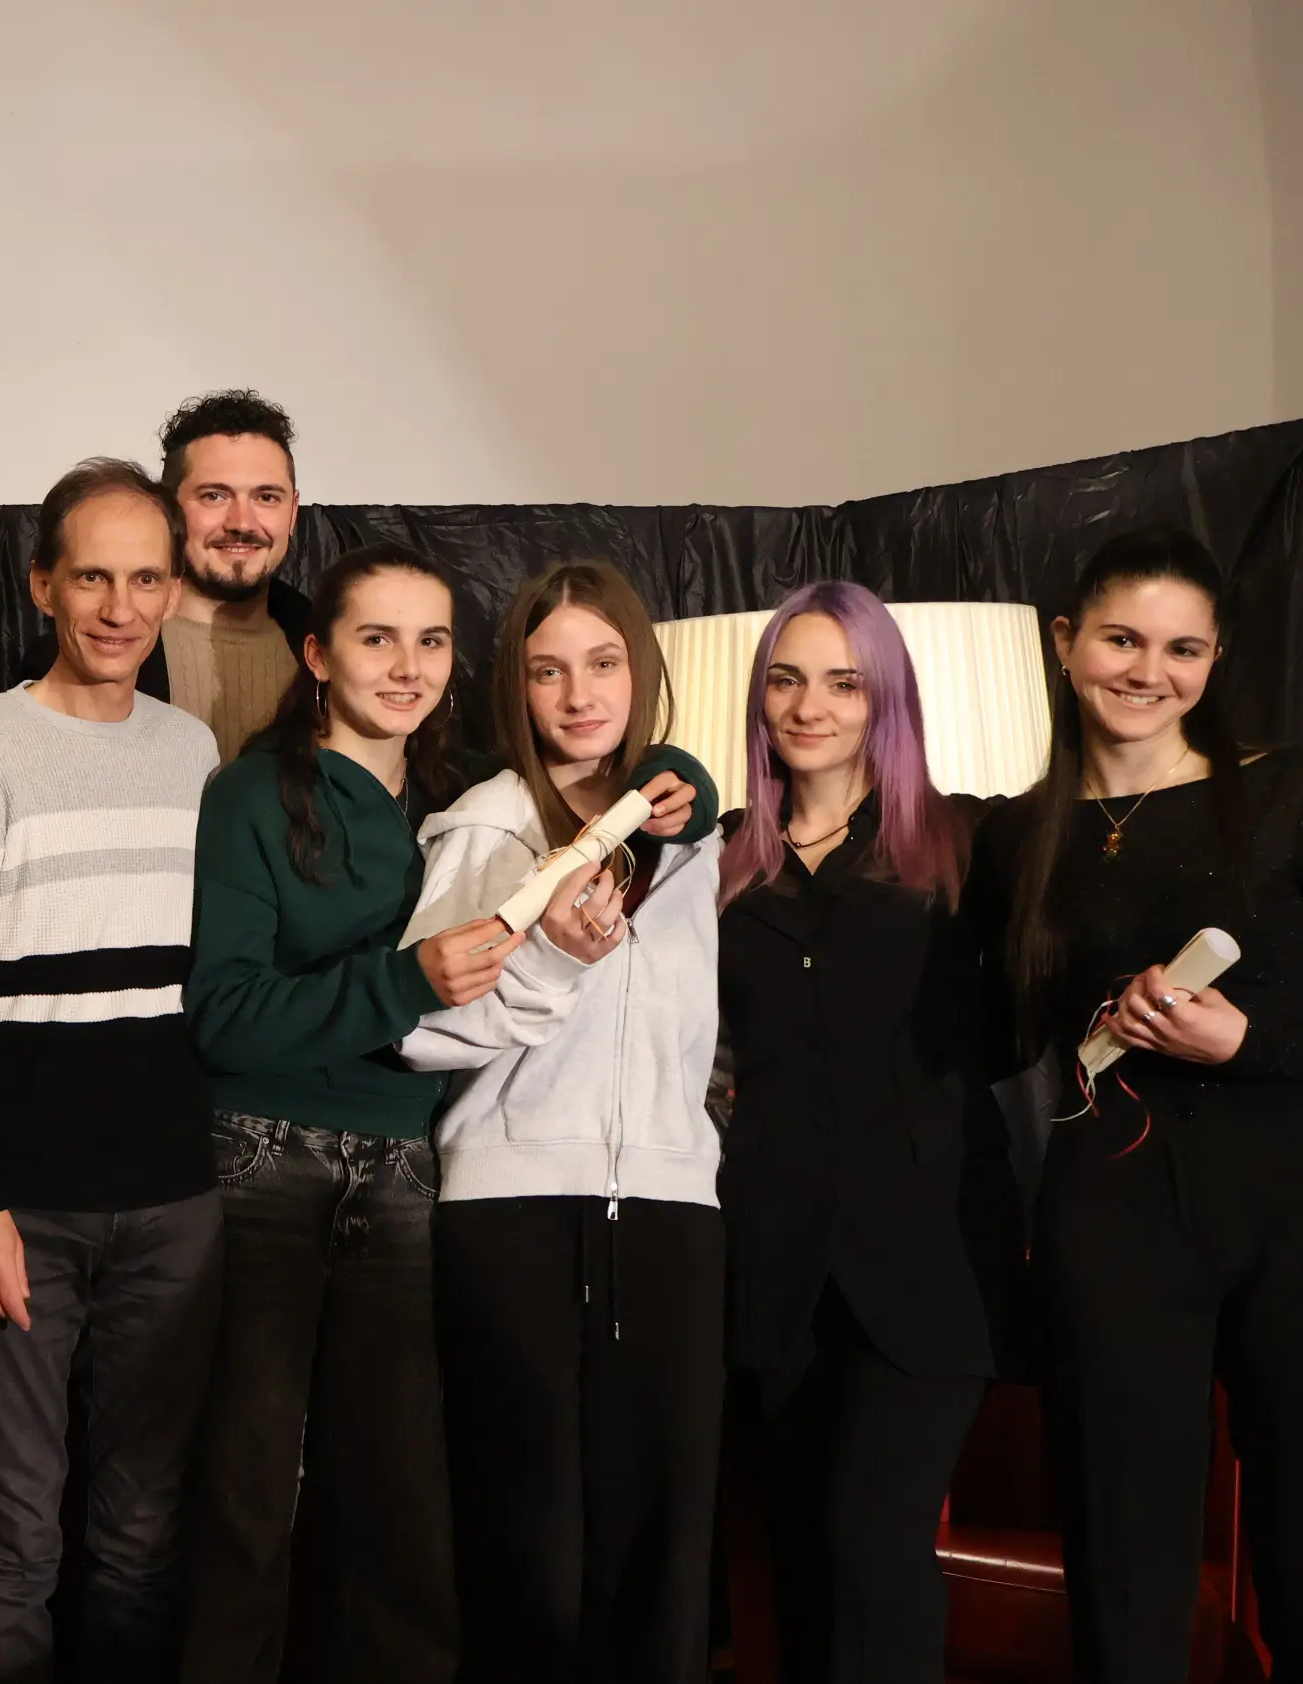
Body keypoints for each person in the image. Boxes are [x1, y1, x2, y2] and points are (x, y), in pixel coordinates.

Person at [972, 526, 1303, 1683]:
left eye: (1183, 648)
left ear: (1215, 660)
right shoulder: (1018, 833)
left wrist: (1247, 1043)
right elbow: (987, 1037)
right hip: (1114, 1201)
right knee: (1121, 1549)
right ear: (1065, 644)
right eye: (1120, 638)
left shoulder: (1294, 792)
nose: (1147, 671)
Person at [0, 457, 224, 1683]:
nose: (120, 605)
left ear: (173, 593)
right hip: (18, 1211)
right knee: (10, 1541)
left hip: (173, 1207)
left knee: (142, 1538)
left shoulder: (193, 753)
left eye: (146, 578)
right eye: (93, 574)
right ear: (44, 584)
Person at [398, 559, 722, 1682]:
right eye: (547, 670)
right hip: (514, 1211)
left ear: (641, 670)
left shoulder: (694, 838)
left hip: (674, 1216)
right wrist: (548, 961)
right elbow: (424, 1031)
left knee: (665, 1544)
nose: (579, 694)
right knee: (528, 1541)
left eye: (602, 662)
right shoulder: (488, 825)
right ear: (514, 689)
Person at [715, 583, 1022, 1684]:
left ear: (885, 696)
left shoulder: (970, 846)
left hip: (930, 1269)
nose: (811, 706)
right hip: (775, 1269)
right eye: (787, 679)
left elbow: (1126, 861)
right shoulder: (714, 866)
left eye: (844, 681)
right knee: (797, 1560)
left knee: (873, 1544)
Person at [17, 391, 313, 762]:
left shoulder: (330, 652)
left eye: (267, 497)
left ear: (293, 510)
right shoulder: (85, 654)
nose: (242, 523)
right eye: (214, 496)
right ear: (167, 507)